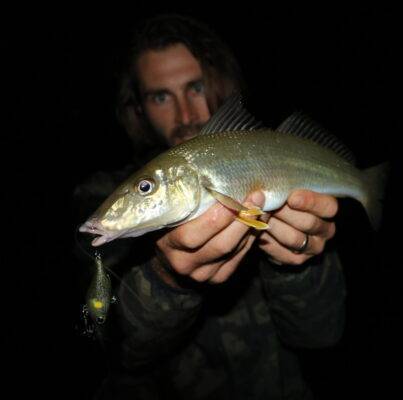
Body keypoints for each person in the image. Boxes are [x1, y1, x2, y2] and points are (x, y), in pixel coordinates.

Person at [74, 14, 346, 400]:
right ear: (138, 109)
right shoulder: (93, 193)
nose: (185, 115)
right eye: (161, 96)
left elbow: (324, 334)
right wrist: (166, 279)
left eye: (196, 87)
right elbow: (104, 344)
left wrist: (295, 263)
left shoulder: (267, 149)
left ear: (222, 83)